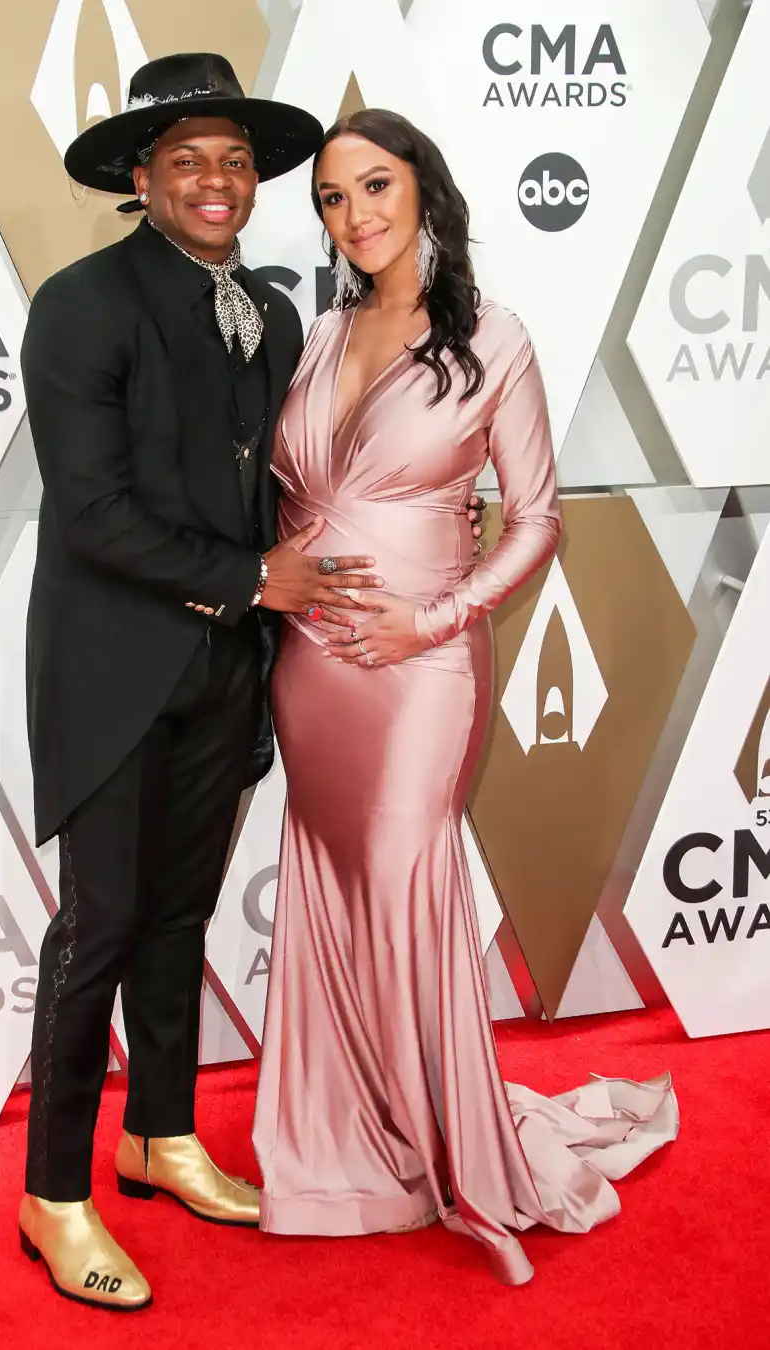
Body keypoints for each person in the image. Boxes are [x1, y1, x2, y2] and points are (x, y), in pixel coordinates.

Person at [19, 49, 490, 1311]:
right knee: (100, 927)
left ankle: (160, 1136)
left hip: (230, 672)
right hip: (113, 673)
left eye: (235, 159)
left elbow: (294, 480)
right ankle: (53, 1195)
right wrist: (249, 579)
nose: (217, 180)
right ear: (142, 177)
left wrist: (417, 533)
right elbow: (91, 515)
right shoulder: (81, 304)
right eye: (188, 160)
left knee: (180, 916)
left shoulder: (277, 318)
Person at [253, 109, 679, 1287]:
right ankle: (355, 1144)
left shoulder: (495, 338)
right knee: (334, 888)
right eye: (332, 197)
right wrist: (274, 579)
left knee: (403, 878)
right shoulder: (318, 335)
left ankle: (451, 1144)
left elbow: (536, 520)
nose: (354, 214)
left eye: (375, 185)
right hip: (311, 667)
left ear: (425, 191)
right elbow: (289, 497)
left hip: (423, 668)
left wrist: (431, 619)